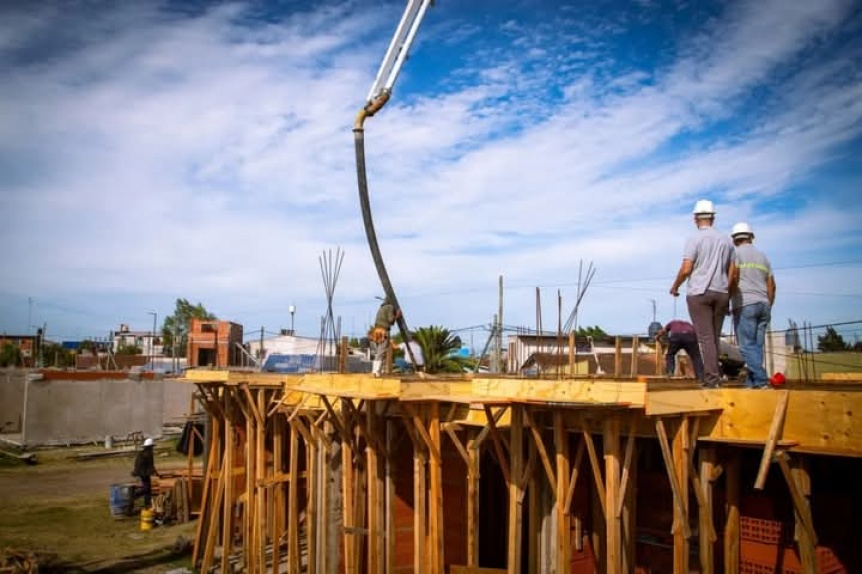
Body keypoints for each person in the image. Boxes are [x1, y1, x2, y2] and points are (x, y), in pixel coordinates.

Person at [669, 199, 736, 388]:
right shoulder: (726, 241)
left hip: (699, 293)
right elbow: (732, 272)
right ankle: (716, 377)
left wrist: (675, 286)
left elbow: (686, 269)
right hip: (721, 292)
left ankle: (712, 380)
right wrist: (727, 292)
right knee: (714, 338)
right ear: (713, 218)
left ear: (695, 218)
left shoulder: (694, 239)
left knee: (705, 339)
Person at [729, 222, 776, 389]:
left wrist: (729, 298)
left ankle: (762, 380)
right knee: (756, 347)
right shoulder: (763, 257)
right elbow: (771, 285)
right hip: (763, 305)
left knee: (746, 347)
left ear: (734, 239)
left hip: (745, 304)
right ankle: (751, 383)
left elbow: (733, 277)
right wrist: (768, 304)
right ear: (751, 237)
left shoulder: (734, 253)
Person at [370, 296, 400, 376]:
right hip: (383, 332)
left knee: (379, 351)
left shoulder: (381, 308)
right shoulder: (390, 307)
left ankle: (375, 371)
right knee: (381, 352)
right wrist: (397, 315)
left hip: (377, 332)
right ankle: (376, 371)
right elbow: (391, 320)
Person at [132, 437, 160, 507]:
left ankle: (147, 503)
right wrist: (156, 474)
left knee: (148, 488)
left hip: (141, 472)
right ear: (150, 447)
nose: (152, 448)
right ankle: (135, 494)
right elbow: (151, 465)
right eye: (152, 447)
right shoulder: (149, 454)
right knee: (146, 488)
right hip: (143, 472)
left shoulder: (142, 453)